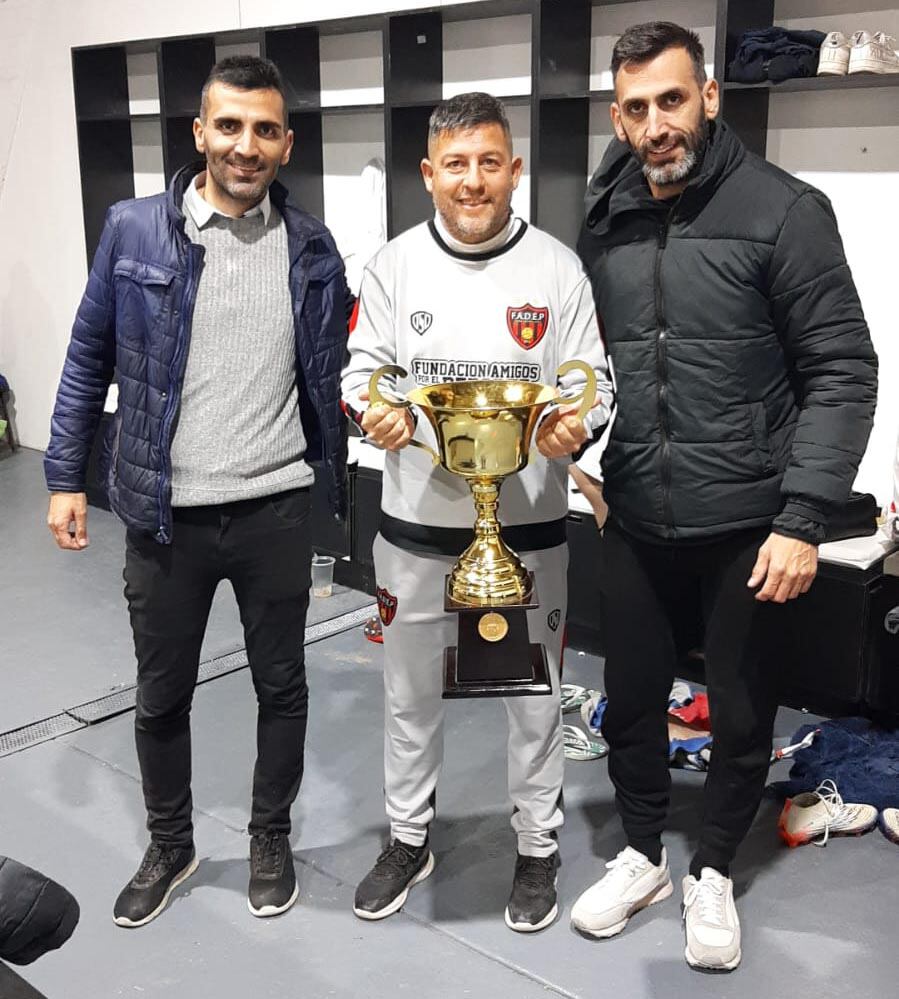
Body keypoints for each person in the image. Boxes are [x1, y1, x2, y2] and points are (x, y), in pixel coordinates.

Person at [569, 22, 877, 971]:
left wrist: (800, 518)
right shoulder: (605, 211)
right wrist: (581, 455)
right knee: (626, 704)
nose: (654, 124)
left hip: (748, 521)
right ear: (617, 118)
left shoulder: (785, 209)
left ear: (707, 96)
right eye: (634, 108)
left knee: (742, 712)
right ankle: (638, 853)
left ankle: (709, 870)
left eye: (670, 100)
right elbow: (588, 355)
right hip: (634, 515)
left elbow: (840, 369)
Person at [44, 56, 350, 927]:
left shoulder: (312, 246)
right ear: (199, 133)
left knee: (281, 687)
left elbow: (329, 371)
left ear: (285, 143)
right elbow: (86, 356)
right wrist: (65, 474)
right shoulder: (135, 229)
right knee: (161, 693)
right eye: (229, 126)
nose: (244, 146)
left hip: (276, 507)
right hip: (164, 515)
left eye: (263, 130)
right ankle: (171, 844)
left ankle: (268, 836)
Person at [341, 92, 612, 932]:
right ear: (428, 174)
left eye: (489, 162)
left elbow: (587, 377)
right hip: (417, 528)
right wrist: (374, 412)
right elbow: (363, 374)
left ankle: (536, 846)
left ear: (514, 169)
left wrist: (577, 420)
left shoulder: (556, 268)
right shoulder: (391, 266)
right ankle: (409, 836)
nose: (472, 180)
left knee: (535, 700)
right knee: (409, 695)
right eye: (455, 164)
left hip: (527, 528)